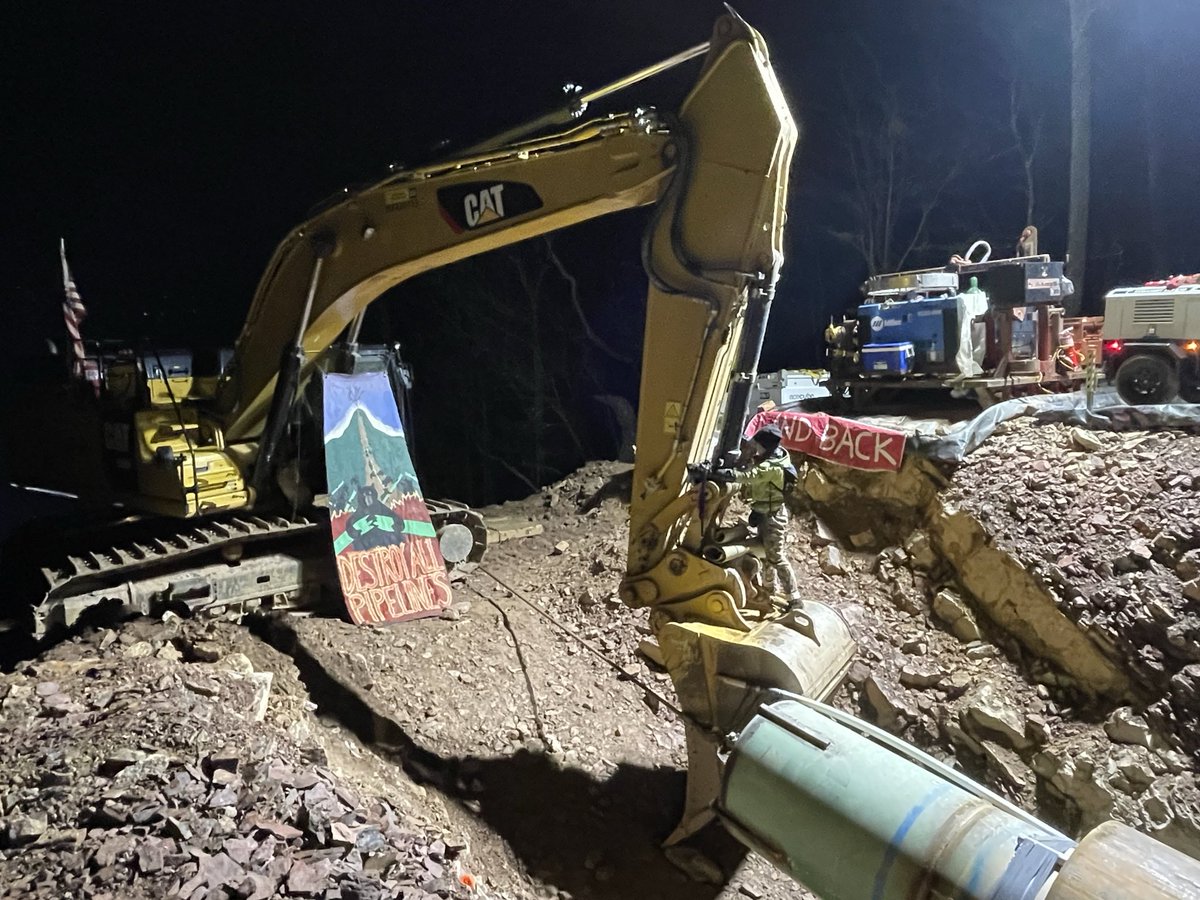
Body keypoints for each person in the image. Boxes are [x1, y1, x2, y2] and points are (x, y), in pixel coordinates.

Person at [715, 423, 803, 611]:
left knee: (776, 557)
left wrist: (723, 474)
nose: (755, 447)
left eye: (758, 444)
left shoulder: (770, 467)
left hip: (773, 518)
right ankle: (770, 590)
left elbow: (749, 476)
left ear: (765, 446)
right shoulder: (773, 456)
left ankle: (795, 599)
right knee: (764, 555)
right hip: (765, 512)